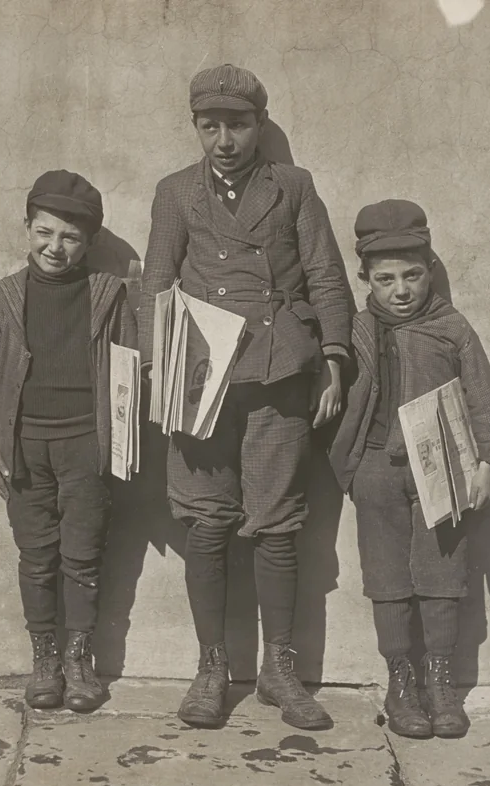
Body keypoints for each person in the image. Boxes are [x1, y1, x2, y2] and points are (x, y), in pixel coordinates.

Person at [140, 64, 354, 730]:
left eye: (237, 125)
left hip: (279, 373)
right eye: (212, 126)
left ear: (259, 124)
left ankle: (278, 669)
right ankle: (211, 667)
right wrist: (157, 368)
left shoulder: (293, 188)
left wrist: (335, 361)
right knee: (207, 520)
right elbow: (156, 284)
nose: (225, 140)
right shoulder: (176, 193)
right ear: (196, 127)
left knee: (277, 521)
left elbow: (326, 276)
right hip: (203, 380)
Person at [328, 199, 490, 738]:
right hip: (377, 470)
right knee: (386, 577)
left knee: (441, 576)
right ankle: (400, 683)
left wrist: (489, 461)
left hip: (443, 469)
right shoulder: (355, 332)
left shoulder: (451, 328)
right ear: (366, 279)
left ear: (429, 271)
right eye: (385, 279)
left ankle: (441, 681)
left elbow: (482, 397)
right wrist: (351, 463)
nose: (401, 290)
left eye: (412, 276)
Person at [0, 170, 137, 712]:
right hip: (25, 448)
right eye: (44, 233)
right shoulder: (6, 297)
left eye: (69, 237)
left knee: (82, 557)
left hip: (86, 443)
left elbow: (132, 373)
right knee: (36, 555)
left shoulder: (109, 296)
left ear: (88, 243)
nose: (54, 247)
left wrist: (123, 445)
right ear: (27, 229)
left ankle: (78, 660)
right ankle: (44, 660)